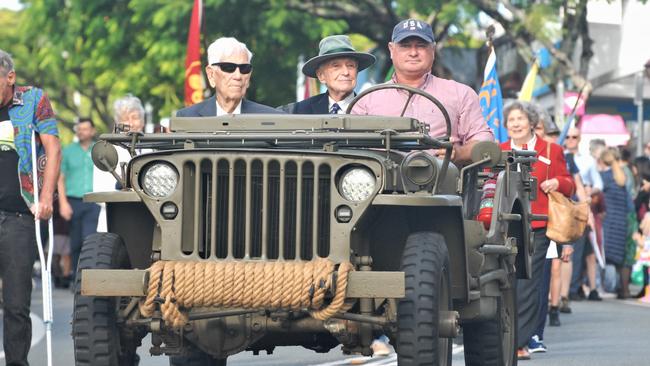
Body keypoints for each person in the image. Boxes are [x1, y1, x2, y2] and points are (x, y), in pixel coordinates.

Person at [350, 19, 494, 163]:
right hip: (381, 182)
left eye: (421, 46)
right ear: (391, 50)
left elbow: (485, 142)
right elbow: (350, 147)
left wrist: (459, 153)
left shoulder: (460, 93)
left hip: (444, 181)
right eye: (405, 46)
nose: (413, 52)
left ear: (433, 49)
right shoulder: (367, 100)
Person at [499, 101, 574, 360]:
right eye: (511, 120)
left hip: (538, 225)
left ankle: (520, 342)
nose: (516, 124)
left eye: (520, 119)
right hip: (506, 224)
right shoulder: (500, 151)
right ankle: (504, 336)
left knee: (529, 285)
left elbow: (570, 184)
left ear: (532, 122)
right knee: (506, 282)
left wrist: (557, 182)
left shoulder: (552, 150)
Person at [0, 49, 61, 366]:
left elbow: (52, 147)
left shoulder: (34, 100)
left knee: (15, 304)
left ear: (9, 77)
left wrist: (47, 196)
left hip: (19, 214)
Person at [176, 37, 280, 116]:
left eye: (244, 68)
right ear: (211, 74)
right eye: (229, 68)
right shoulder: (188, 118)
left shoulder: (270, 118)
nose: (238, 76)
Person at [93, 94, 146, 232]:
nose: (131, 123)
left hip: (148, 220)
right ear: (118, 123)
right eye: (125, 119)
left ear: (143, 121)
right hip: (115, 221)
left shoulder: (155, 149)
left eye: (135, 117)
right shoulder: (106, 150)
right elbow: (99, 192)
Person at [565, 128, 603, 303]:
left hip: (583, 205)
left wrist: (590, 190)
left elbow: (598, 184)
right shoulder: (561, 155)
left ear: (580, 139)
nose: (571, 139)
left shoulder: (588, 160)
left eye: (574, 137)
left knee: (585, 251)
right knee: (570, 250)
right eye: (568, 136)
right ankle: (569, 289)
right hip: (564, 205)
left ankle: (576, 288)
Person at [60, 117, 101, 280]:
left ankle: (89, 278)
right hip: (74, 201)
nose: (81, 131)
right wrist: (63, 203)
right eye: (79, 128)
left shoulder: (99, 150)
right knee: (75, 242)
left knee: (90, 239)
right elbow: (60, 178)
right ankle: (77, 279)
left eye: (85, 128)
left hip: (94, 201)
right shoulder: (68, 151)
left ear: (92, 131)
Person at [292, 35, 375, 114]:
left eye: (350, 66)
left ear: (357, 72)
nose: (346, 72)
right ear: (321, 75)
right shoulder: (301, 110)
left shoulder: (371, 110)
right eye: (336, 66)